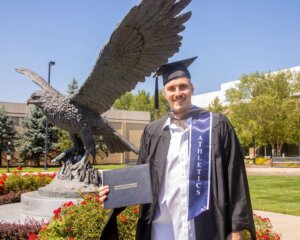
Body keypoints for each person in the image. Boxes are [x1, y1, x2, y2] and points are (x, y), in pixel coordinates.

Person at [99, 57, 256, 240]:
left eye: (183, 87)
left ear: (192, 89)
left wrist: (236, 230)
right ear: (164, 93)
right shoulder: (154, 131)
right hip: (161, 228)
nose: (178, 93)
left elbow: (235, 177)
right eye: (171, 88)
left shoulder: (216, 125)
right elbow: (139, 177)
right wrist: (113, 193)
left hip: (205, 227)